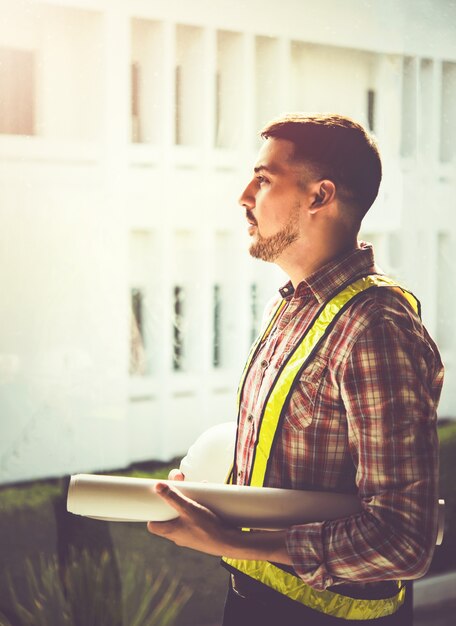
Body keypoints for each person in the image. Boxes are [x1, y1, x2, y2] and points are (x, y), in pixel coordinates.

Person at [147, 113, 444, 625]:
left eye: (263, 179)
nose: (244, 196)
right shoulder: (290, 307)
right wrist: (215, 497)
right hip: (254, 600)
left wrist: (228, 539)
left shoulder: (376, 328)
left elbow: (403, 540)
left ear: (319, 196)